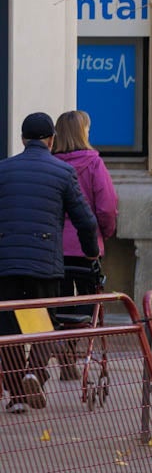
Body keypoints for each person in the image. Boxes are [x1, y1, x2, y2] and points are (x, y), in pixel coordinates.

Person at [0, 113, 100, 413]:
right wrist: (91, 252)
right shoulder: (62, 172)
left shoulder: (3, 170)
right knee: (46, 323)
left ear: (22, 139)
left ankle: (17, 397)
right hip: (45, 261)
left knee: (9, 328)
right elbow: (86, 220)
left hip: (7, 263)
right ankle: (35, 372)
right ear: (51, 140)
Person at [50, 110, 118, 297]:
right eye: (87, 128)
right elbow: (107, 207)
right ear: (82, 132)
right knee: (88, 304)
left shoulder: (51, 164)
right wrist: (104, 232)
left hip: (55, 247)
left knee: (59, 306)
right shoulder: (94, 163)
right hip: (87, 245)